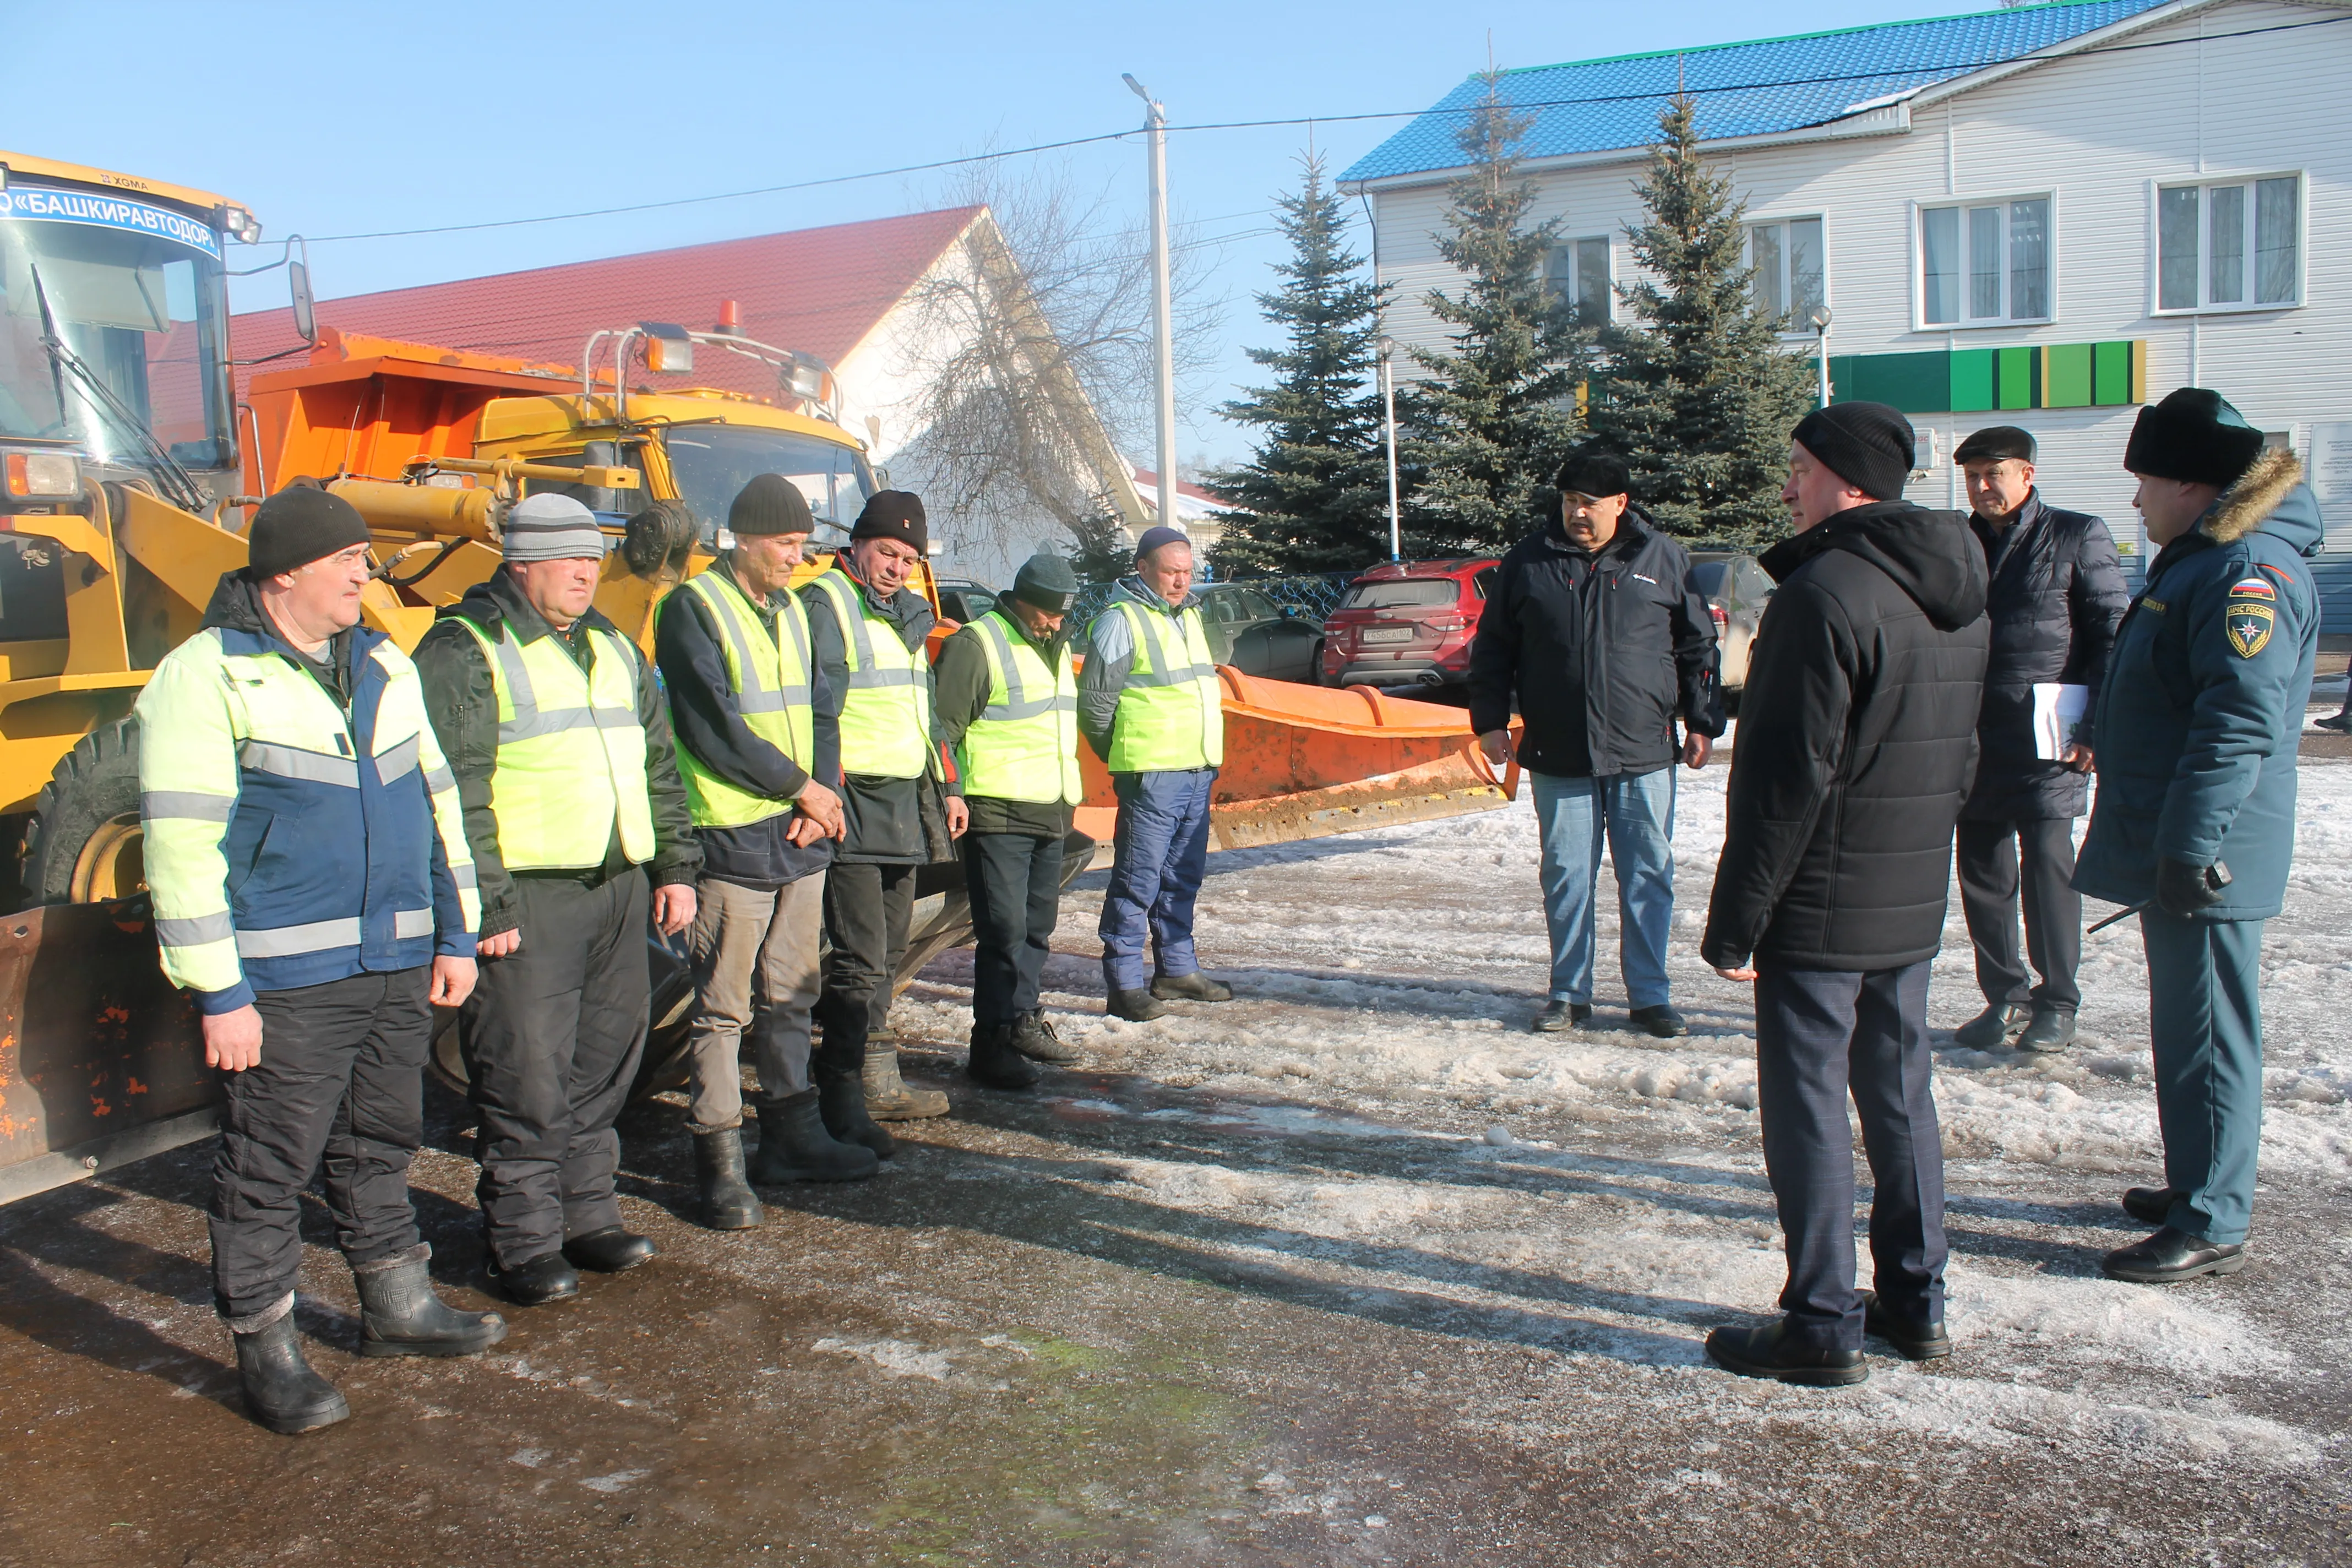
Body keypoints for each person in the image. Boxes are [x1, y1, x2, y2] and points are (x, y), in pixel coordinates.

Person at [137, 487, 502, 1434]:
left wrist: (455, 932)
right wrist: (219, 990)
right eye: (347, 559)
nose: (363, 574)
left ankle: (397, 1305)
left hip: (391, 961)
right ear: (286, 571)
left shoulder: (384, 660)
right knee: (269, 1163)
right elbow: (179, 849)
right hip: (286, 978)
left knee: (382, 1135)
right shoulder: (206, 673)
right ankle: (266, 1346)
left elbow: (436, 803)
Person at [1700, 402, 1989, 1386]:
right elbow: (1962, 760)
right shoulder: (1958, 593)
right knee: (1900, 1095)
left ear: (1844, 480)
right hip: (1906, 894)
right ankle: (1916, 1301)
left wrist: (1737, 918)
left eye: (1797, 468)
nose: (1786, 487)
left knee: (1811, 1105)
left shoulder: (1823, 595)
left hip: (1821, 900)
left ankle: (1820, 1321)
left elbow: (1783, 780)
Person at [413, 493, 701, 1306]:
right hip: (529, 901)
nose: (585, 570)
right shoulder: (467, 649)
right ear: (520, 562)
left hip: (617, 887)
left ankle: (588, 1216)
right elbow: (452, 793)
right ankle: (523, 1242)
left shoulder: (610, 646)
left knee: (606, 1060)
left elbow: (657, 764)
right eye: (566, 557)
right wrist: (487, 905)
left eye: (591, 555)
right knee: (526, 1073)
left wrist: (675, 864)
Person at [2075, 389, 2322, 1284]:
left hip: (2208, 844)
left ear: (2190, 481)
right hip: (2181, 834)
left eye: (2144, 480)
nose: (2134, 499)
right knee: (2185, 1025)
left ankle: (2215, 1213)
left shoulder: (2245, 570)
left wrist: (2189, 844)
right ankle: (2196, 1184)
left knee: (2213, 1029)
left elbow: (2237, 723)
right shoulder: (2201, 559)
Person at [653, 477, 870, 1231]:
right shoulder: (691, 610)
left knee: (792, 993)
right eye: (785, 543)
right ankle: (719, 1160)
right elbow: (711, 724)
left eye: (802, 543)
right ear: (744, 538)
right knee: (723, 1007)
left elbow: (819, 707)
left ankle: (792, 1134)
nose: (796, 556)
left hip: (798, 834)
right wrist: (800, 790)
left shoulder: (793, 610)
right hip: (734, 837)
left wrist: (822, 794)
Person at [1467, 450, 1723, 1037]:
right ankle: (1568, 993)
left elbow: (1696, 647)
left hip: (1644, 750)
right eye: (1568, 501)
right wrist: (1490, 720)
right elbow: (1494, 648)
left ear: (1620, 504)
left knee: (1648, 874)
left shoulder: (1662, 558)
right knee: (1566, 873)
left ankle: (1651, 996)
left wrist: (1702, 720)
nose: (1577, 513)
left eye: (1589, 503)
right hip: (1559, 750)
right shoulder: (1529, 562)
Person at [1949, 427, 2129, 1053]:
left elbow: (2111, 630)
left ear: (2027, 473)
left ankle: (2058, 1000)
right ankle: (2004, 996)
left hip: (2052, 729)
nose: (1981, 486)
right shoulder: (1958, 540)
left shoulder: (2078, 534)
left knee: (2049, 867)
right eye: (1972, 474)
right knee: (1982, 872)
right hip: (1971, 731)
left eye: (1993, 473)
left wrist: (2098, 724)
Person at [802, 491, 960, 1147]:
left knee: (889, 952)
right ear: (858, 546)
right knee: (861, 957)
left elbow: (922, 712)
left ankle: (872, 1078)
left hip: (902, 800)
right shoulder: (827, 603)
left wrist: (948, 786)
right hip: (851, 803)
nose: (897, 567)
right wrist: (818, 788)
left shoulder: (907, 617)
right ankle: (840, 1092)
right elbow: (816, 707)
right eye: (888, 553)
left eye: (909, 557)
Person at [935, 552, 1089, 1088]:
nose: (1054, 622)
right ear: (1021, 598)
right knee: (1003, 931)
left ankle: (1022, 1023)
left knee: (1036, 929)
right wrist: (951, 793)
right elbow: (944, 730)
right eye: (1047, 612)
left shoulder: (1056, 643)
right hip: (996, 811)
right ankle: (992, 1041)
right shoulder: (977, 644)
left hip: (1049, 807)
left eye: (1062, 615)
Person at [1079, 525, 1233, 1022]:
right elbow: (1097, 706)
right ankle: (1123, 984)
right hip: (1152, 774)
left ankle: (1176, 970)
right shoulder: (1121, 621)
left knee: (1182, 877)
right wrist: (1127, 758)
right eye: (1171, 571)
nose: (1181, 581)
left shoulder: (1187, 617)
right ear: (1143, 568)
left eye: (1187, 572)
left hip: (1195, 769)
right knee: (1136, 880)